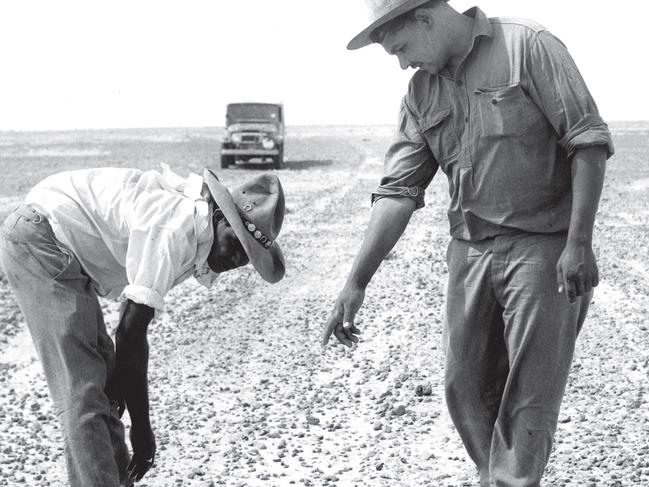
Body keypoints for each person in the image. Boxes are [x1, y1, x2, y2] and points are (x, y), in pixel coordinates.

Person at [321, 1, 613, 485]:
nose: (402, 63)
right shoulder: (420, 92)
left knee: (527, 397)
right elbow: (398, 191)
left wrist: (578, 243)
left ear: (427, 19)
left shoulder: (528, 46)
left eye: (401, 48)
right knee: (465, 388)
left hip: (542, 250)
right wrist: (356, 282)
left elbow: (586, 141)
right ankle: (496, 476)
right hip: (470, 252)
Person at [0, 164, 286, 486]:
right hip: (40, 239)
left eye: (246, 255)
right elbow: (131, 332)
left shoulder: (195, 232)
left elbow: (130, 333)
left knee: (106, 386)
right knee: (83, 392)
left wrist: (125, 391)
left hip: (60, 248)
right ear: (220, 219)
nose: (236, 260)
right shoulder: (177, 229)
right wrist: (142, 429)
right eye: (236, 243)